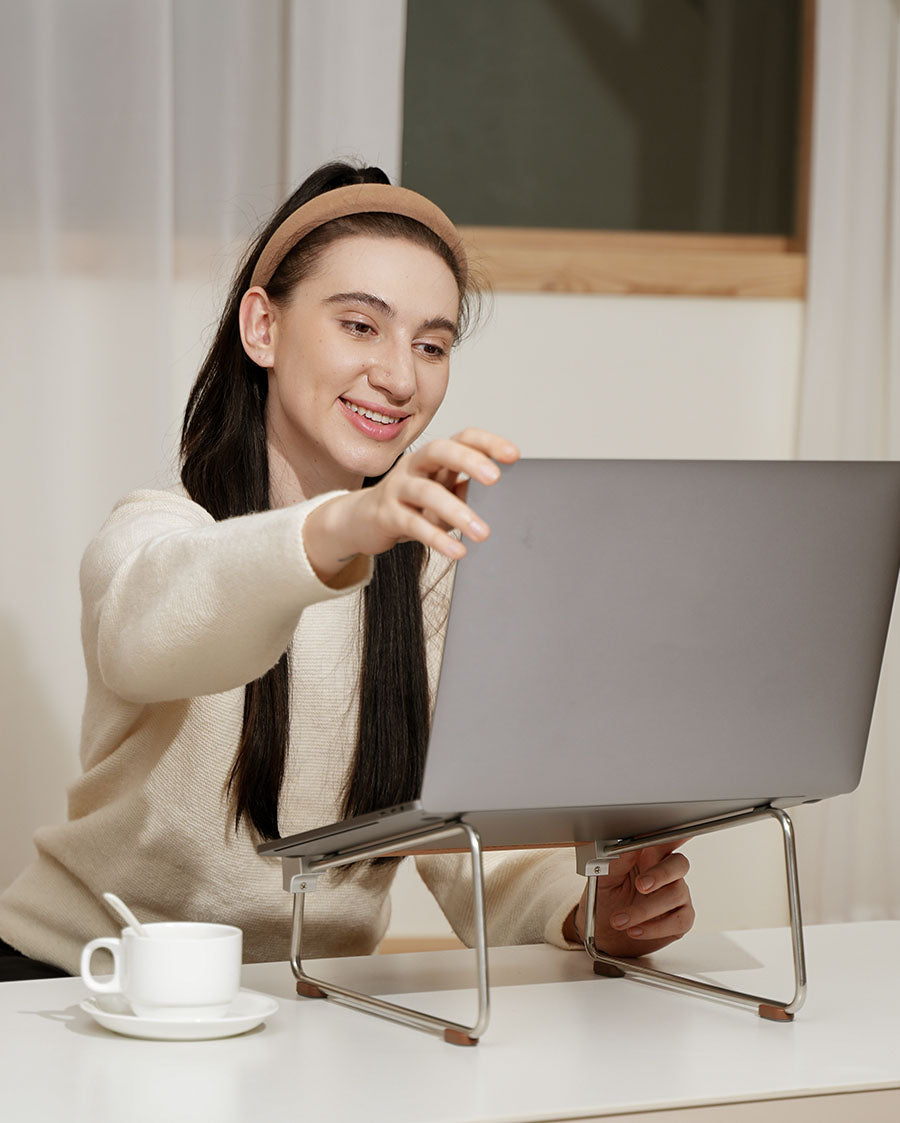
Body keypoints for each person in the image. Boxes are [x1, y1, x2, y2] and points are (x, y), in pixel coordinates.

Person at [0, 161, 694, 982]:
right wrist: (347, 526)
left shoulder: (427, 576)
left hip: (304, 1005)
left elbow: (474, 838)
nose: (401, 376)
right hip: (75, 983)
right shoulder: (156, 531)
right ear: (262, 327)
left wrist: (593, 911)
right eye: (361, 326)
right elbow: (155, 630)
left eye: (431, 343)